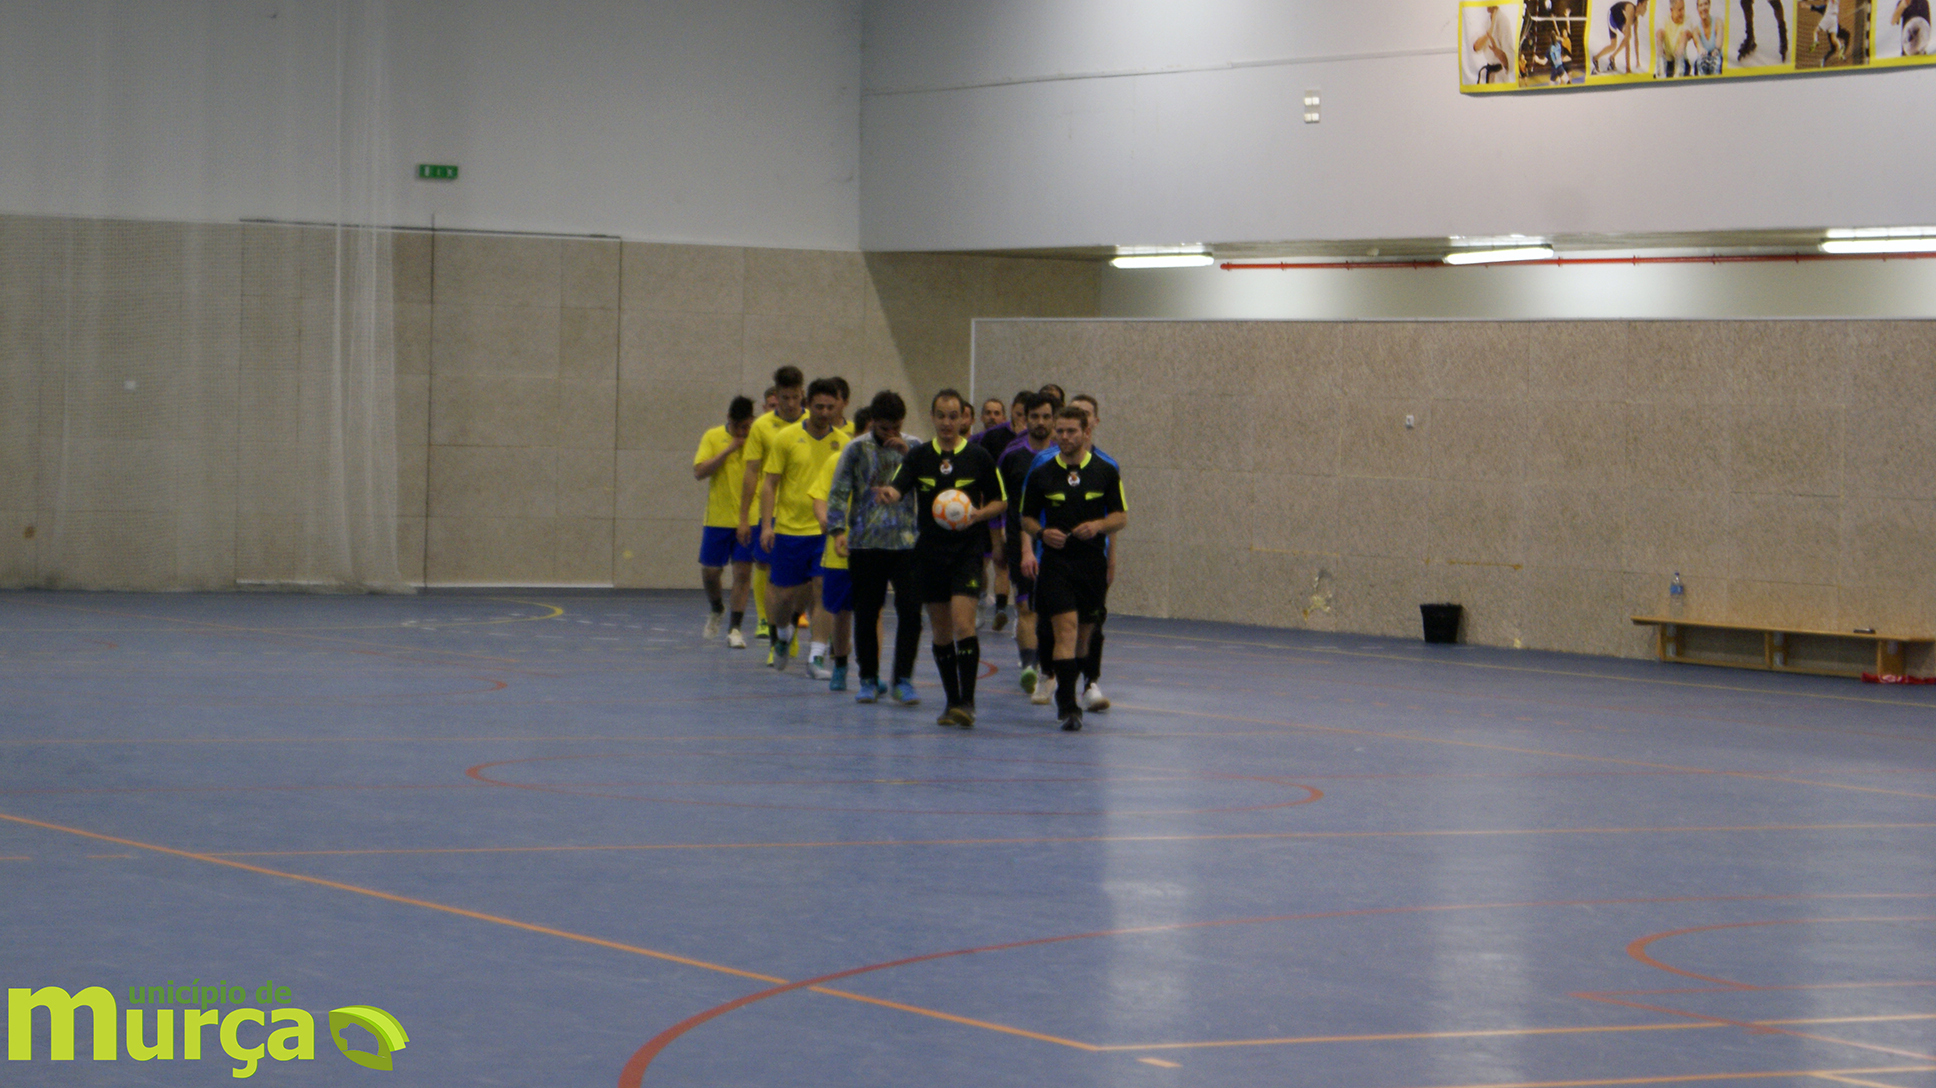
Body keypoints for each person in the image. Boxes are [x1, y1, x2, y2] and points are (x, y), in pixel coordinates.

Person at [882, 389, 1007, 727]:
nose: (947, 422)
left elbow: (1000, 501)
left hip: (967, 551)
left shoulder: (978, 456)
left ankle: (968, 701)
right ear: (933, 417)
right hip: (930, 553)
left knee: (963, 624)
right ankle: (952, 701)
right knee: (940, 631)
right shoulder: (919, 456)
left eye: (954, 416)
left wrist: (979, 514)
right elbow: (899, 486)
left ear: (964, 418)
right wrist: (889, 494)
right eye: (941, 416)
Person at [1020, 405, 1128, 732]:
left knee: (1084, 637)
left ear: (1086, 432)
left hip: (1091, 564)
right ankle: (1068, 706)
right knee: (1064, 631)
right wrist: (1041, 533)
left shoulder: (1105, 471)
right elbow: (1026, 518)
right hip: (1056, 564)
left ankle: (1082, 684)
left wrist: (1098, 526)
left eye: (1071, 431)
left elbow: (1120, 517)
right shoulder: (1042, 473)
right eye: (1061, 431)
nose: (1064, 437)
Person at [828, 391, 924, 705]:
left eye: (896, 427)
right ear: (873, 423)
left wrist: (909, 456)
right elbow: (839, 491)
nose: (890, 434)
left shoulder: (916, 447)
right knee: (867, 613)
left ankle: (903, 679)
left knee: (911, 612)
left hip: (905, 544)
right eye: (884, 428)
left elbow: (930, 486)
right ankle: (868, 678)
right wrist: (837, 531)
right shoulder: (856, 449)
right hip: (865, 543)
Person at [758, 378, 847, 669]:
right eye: (819, 406)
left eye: (830, 407)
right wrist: (767, 525)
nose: (824, 412)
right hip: (789, 531)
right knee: (784, 597)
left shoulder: (845, 444)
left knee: (822, 588)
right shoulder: (786, 438)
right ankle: (783, 635)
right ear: (808, 404)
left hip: (825, 531)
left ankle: (816, 656)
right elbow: (770, 483)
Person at [997, 393, 1059, 702]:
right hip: (1019, 540)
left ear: (1054, 419)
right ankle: (1029, 666)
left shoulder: (1062, 455)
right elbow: (999, 498)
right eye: (1034, 416)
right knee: (1025, 606)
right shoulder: (1011, 455)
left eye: (1046, 416)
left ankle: (1051, 668)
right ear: (1024, 418)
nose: (1040, 422)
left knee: (1051, 610)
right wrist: (998, 540)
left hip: (1055, 544)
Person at [739, 367, 805, 644]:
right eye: (785, 398)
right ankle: (768, 625)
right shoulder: (762, 427)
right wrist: (744, 517)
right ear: (776, 395)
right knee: (766, 568)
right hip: (769, 510)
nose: (790, 404)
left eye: (795, 397)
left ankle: (792, 625)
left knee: (807, 580)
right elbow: (752, 472)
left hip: (804, 513)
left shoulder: (813, 422)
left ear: (802, 393)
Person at [692, 395, 757, 648]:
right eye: (739, 427)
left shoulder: (757, 438)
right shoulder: (713, 436)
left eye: (747, 427)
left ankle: (735, 629)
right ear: (729, 419)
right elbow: (699, 472)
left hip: (748, 518)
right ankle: (717, 607)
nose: (743, 432)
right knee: (710, 572)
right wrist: (729, 449)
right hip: (718, 518)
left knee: (742, 572)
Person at [808, 406, 864, 692]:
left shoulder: (892, 463)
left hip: (877, 547)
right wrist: (826, 522)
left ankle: (869, 673)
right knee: (841, 612)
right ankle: (840, 664)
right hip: (841, 549)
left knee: (873, 612)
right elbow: (820, 496)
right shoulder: (838, 460)